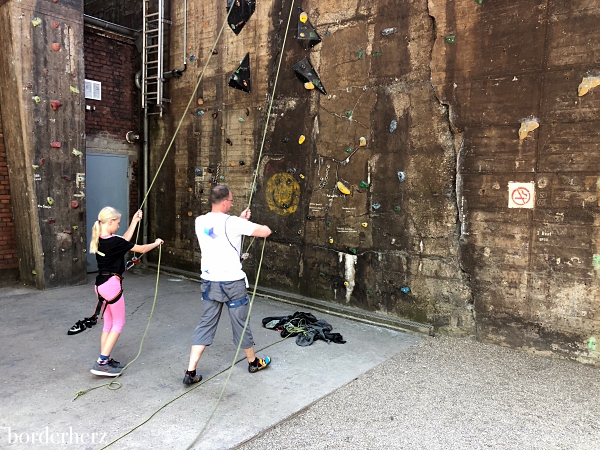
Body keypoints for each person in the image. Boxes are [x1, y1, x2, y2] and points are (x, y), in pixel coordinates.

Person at [184, 185, 272, 385]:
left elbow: (218, 234)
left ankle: (190, 371)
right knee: (240, 324)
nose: (231, 204)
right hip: (232, 284)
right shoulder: (232, 223)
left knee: (206, 323)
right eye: (231, 201)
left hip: (209, 283)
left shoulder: (201, 221)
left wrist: (240, 221)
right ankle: (253, 362)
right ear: (225, 202)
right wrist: (243, 224)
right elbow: (265, 232)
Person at [88, 207, 164, 377]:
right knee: (119, 323)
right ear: (110, 222)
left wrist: (134, 222)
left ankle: (104, 359)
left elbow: (123, 240)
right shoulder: (114, 241)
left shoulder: (102, 238)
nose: (118, 226)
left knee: (108, 324)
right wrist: (156, 243)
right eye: (117, 223)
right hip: (111, 286)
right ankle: (102, 362)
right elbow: (142, 249)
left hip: (100, 285)